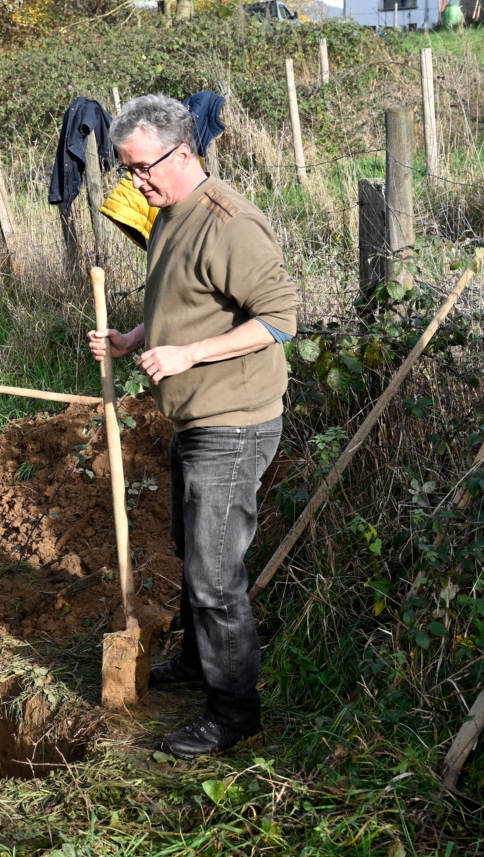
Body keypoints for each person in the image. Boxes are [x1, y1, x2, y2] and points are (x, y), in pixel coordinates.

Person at [87, 94, 298, 760]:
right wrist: (136, 338)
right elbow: (191, 302)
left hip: (232, 422)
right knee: (189, 540)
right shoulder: (168, 212)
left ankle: (235, 712)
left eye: (142, 170)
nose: (134, 184)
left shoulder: (229, 223)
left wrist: (186, 355)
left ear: (183, 154)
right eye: (126, 172)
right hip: (193, 416)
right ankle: (199, 661)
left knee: (214, 574)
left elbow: (278, 319)